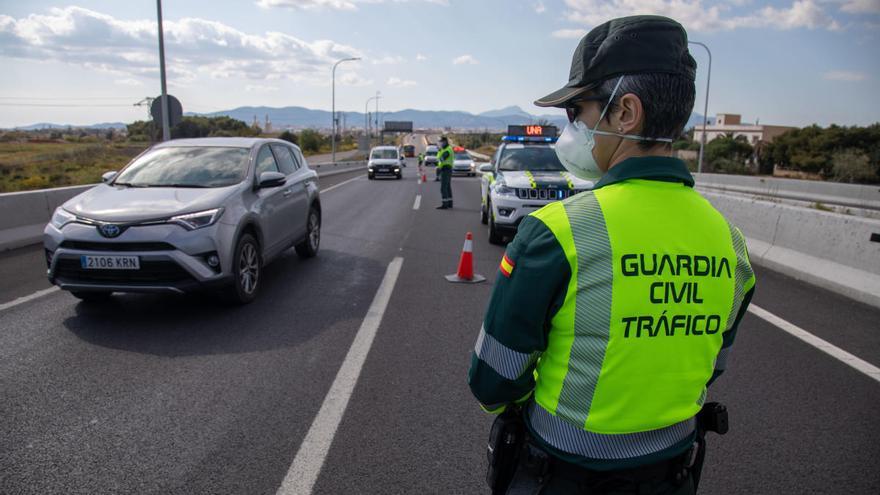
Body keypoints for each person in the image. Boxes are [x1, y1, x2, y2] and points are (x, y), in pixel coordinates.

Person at [468, 15, 755, 494]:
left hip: (562, 476)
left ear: (625, 112)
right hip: (672, 473)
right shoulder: (731, 241)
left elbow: (493, 380)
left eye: (577, 110)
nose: (573, 126)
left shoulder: (555, 232)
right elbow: (712, 363)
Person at [436, 137, 454, 209]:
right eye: (440, 142)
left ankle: (445, 204)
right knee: (448, 187)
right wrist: (440, 151)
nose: (441, 144)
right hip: (446, 169)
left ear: (445, 142)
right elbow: (439, 158)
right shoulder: (444, 149)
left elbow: (441, 158)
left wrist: (440, 152)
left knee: (443, 188)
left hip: (446, 169)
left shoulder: (448, 150)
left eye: (442, 142)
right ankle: (449, 203)